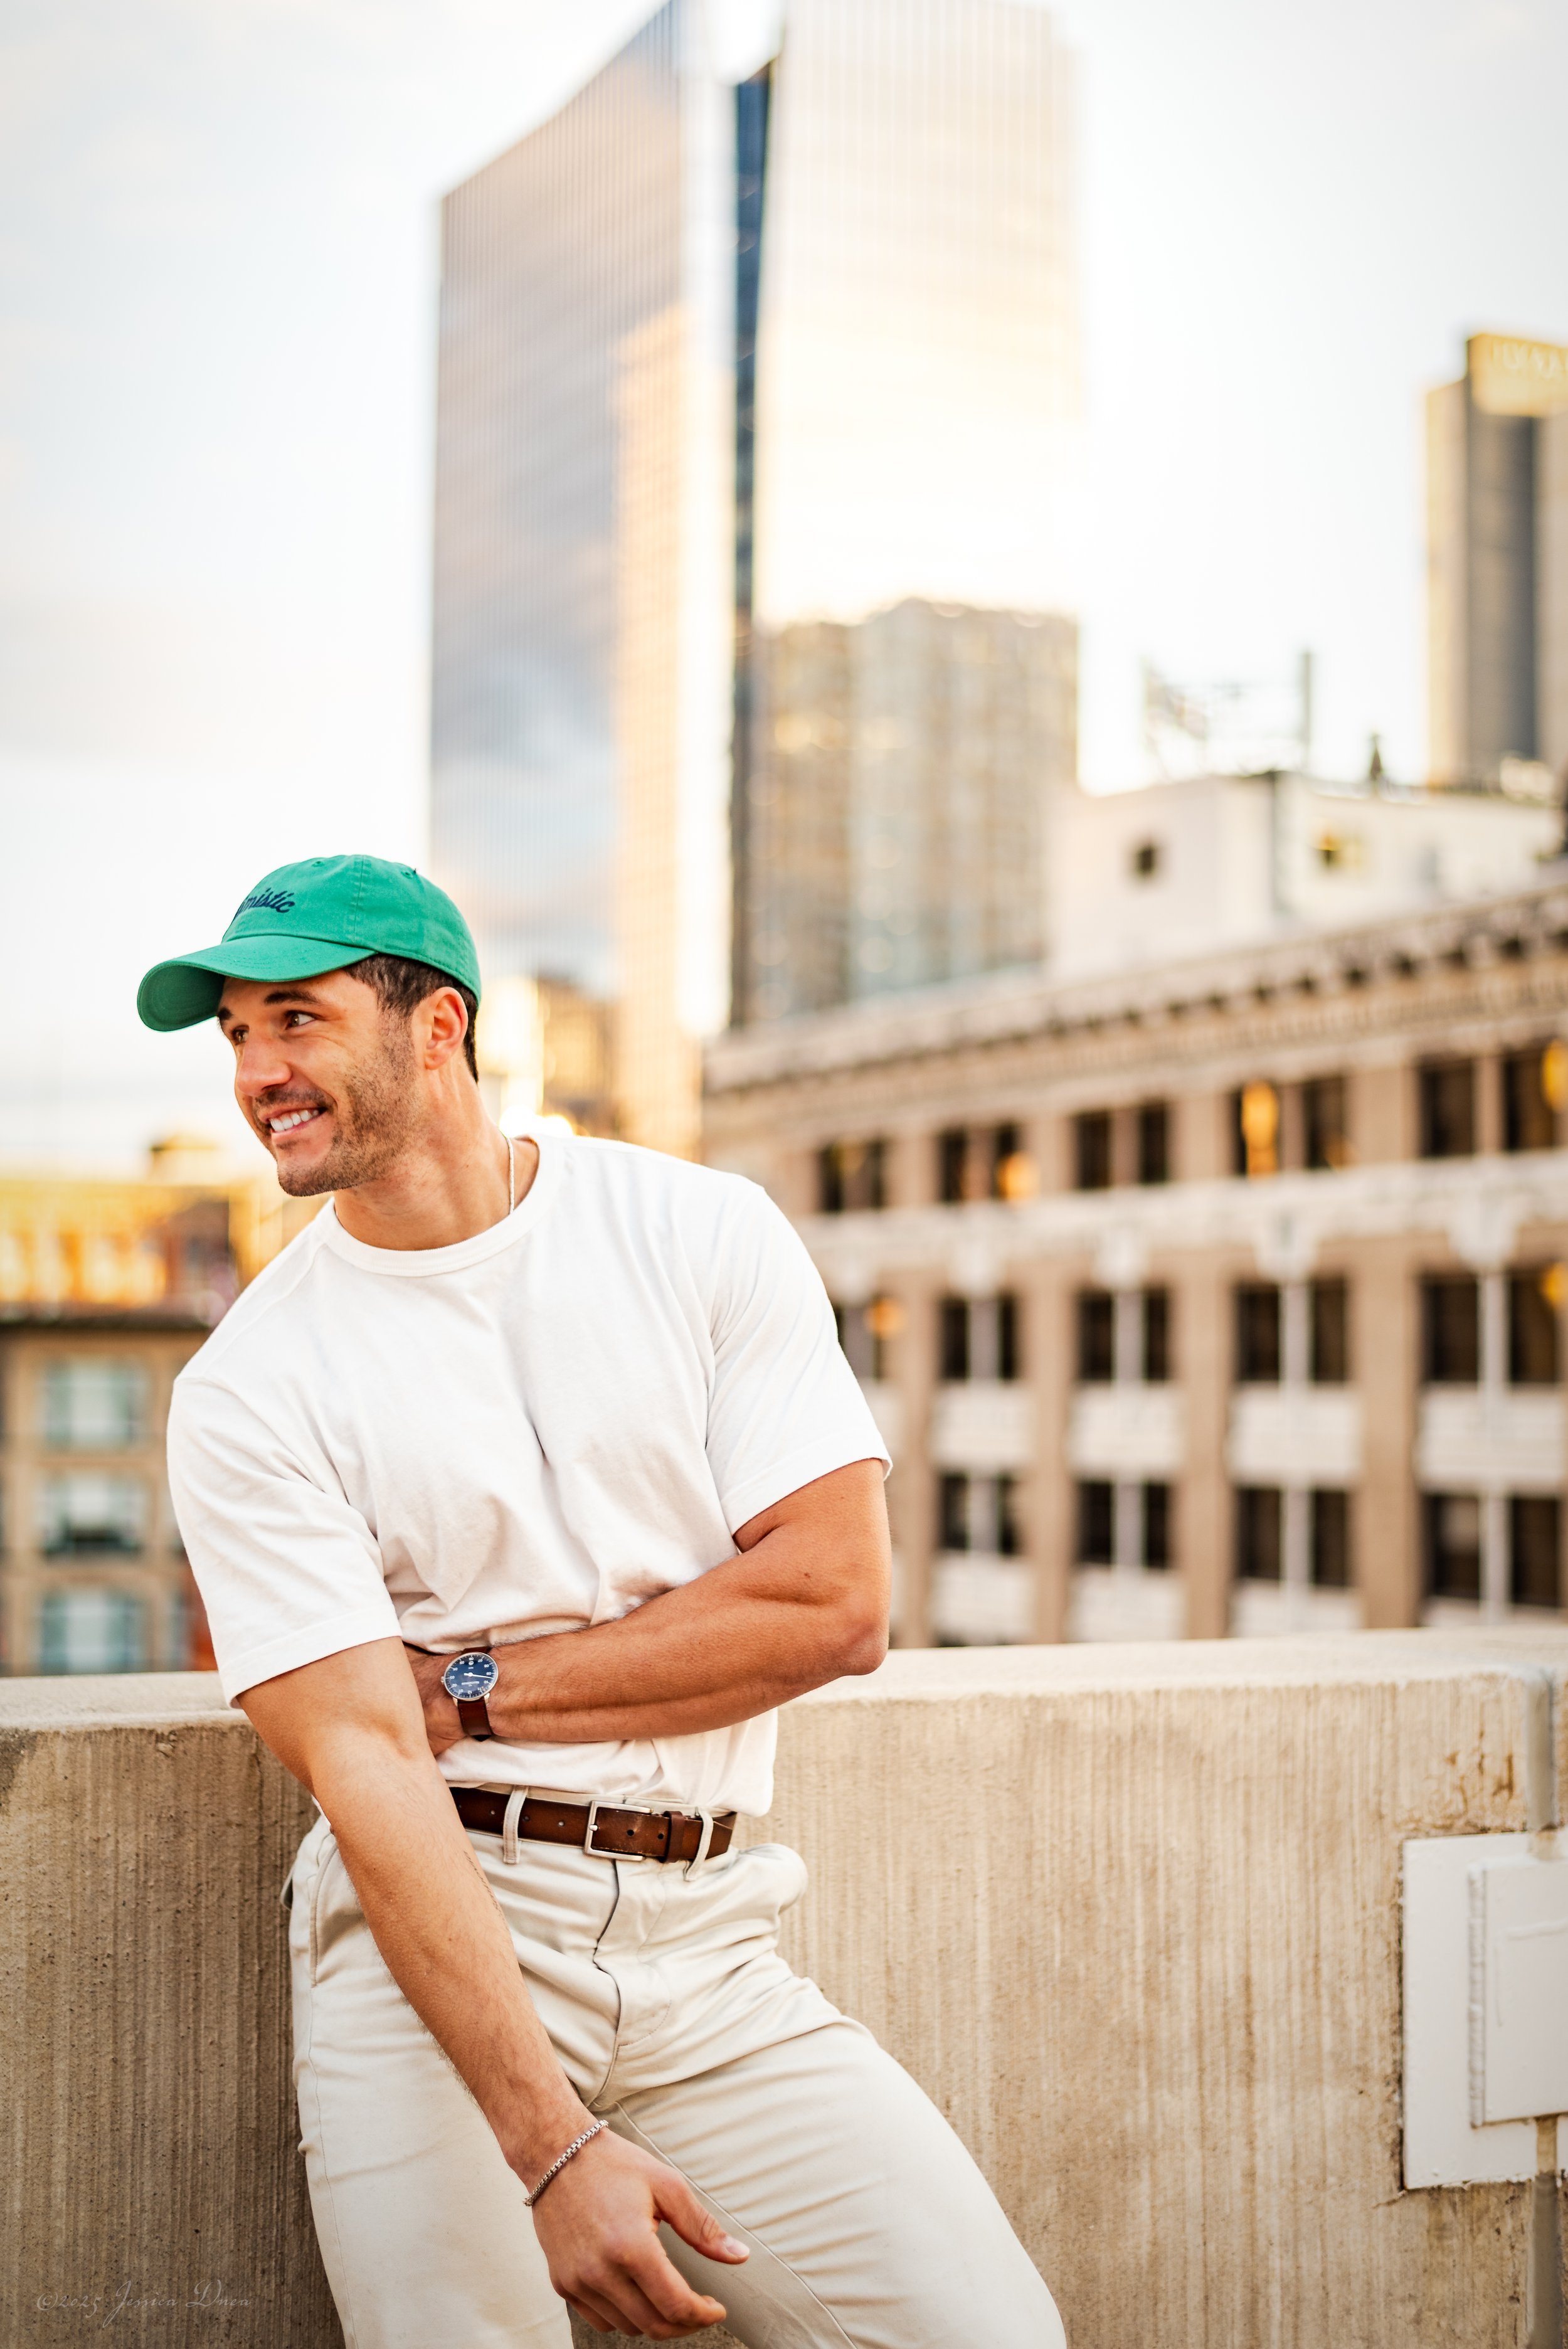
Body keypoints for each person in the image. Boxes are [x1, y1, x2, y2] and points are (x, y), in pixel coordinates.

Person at [142, 854, 1064, 2348]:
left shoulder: (699, 1233)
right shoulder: (250, 1387)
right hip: (437, 1942)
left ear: (436, 1026)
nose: (257, 1073)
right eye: (237, 1035)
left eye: (295, 1021)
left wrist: (466, 1685)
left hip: (715, 1942)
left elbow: (833, 1605)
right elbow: (366, 1764)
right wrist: (553, 2144)